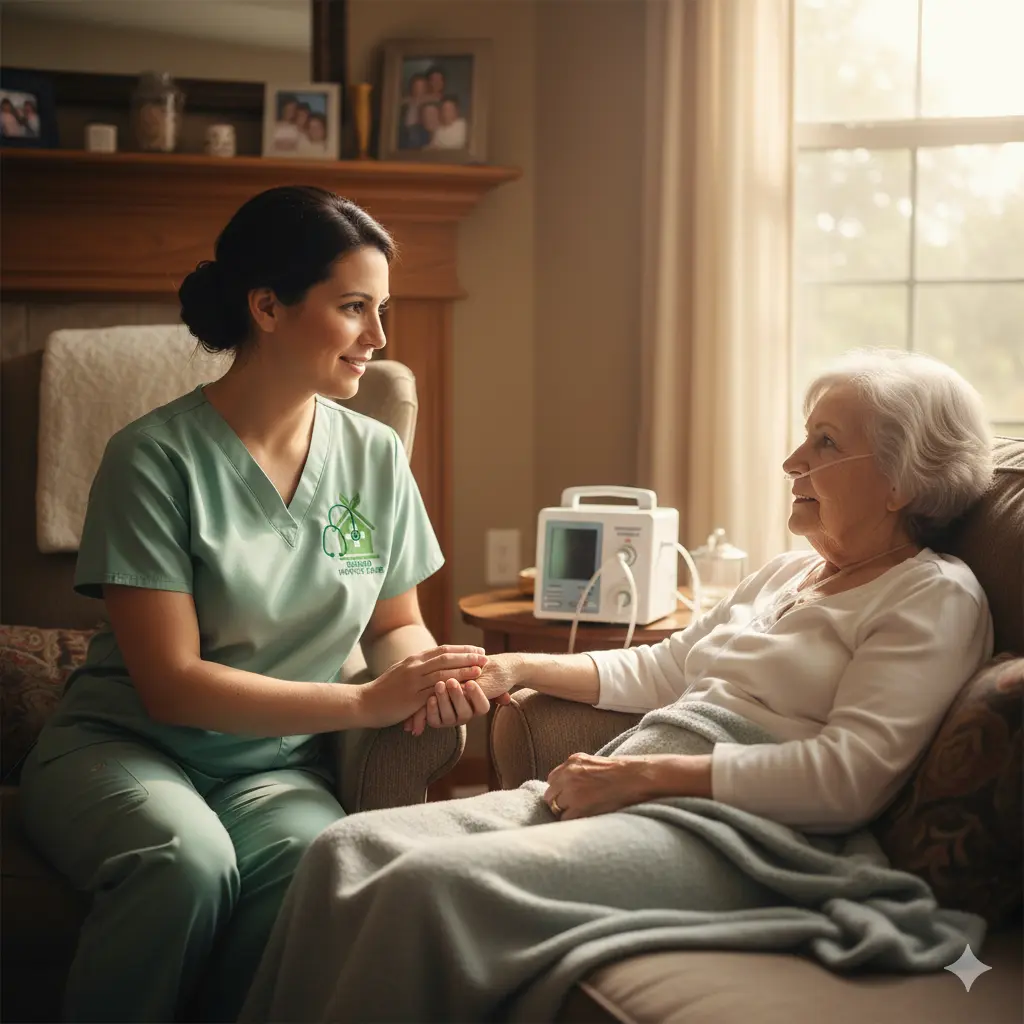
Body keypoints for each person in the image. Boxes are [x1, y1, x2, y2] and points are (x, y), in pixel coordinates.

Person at [241, 350, 997, 1022]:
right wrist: (516, 667)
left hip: (750, 837)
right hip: (645, 787)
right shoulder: (790, 572)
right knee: (344, 848)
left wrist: (645, 776)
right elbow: (665, 668)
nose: (792, 460)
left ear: (900, 482)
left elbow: (847, 779)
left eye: (825, 443)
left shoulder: (929, 597)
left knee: (423, 888)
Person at [18, 186, 497, 1023]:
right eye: (354, 308)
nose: (379, 338)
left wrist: (425, 676)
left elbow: (394, 623)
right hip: (129, 748)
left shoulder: (375, 454)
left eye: (382, 310)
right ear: (267, 306)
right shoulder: (152, 459)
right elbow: (170, 684)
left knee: (319, 866)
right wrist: (365, 702)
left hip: (275, 770)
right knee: (184, 862)